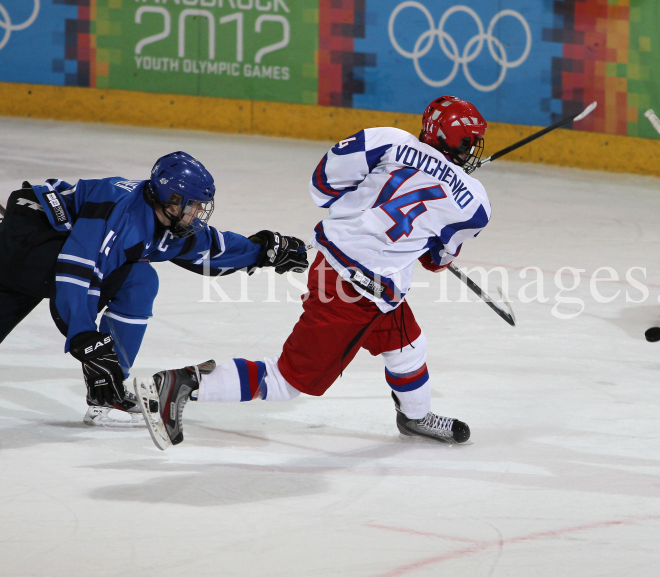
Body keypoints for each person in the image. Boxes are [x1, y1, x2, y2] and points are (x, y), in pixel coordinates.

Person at [137, 95, 491, 447]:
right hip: (357, 292)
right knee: (286, 381)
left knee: (408, 345)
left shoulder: (389, 140)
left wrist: (360, 212)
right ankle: (183, 384)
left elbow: (323, 184)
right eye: (468, 142)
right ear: (451, 139)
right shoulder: (474, 202)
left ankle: (415, 417)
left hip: (346, 272)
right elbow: (437, 261)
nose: (472, 150)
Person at [0, 152, 308, 426]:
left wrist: (262, 250)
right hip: (29, 236)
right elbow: (76, 272)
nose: (198, 214)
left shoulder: (163, 218)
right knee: (123, 279)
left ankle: (108, 386)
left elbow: (208, 247)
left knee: (139, 280)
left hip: (48, 250)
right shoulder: (120, 217)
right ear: (172, 200)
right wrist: (84, 338)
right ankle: (103, 374)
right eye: (193, 207)